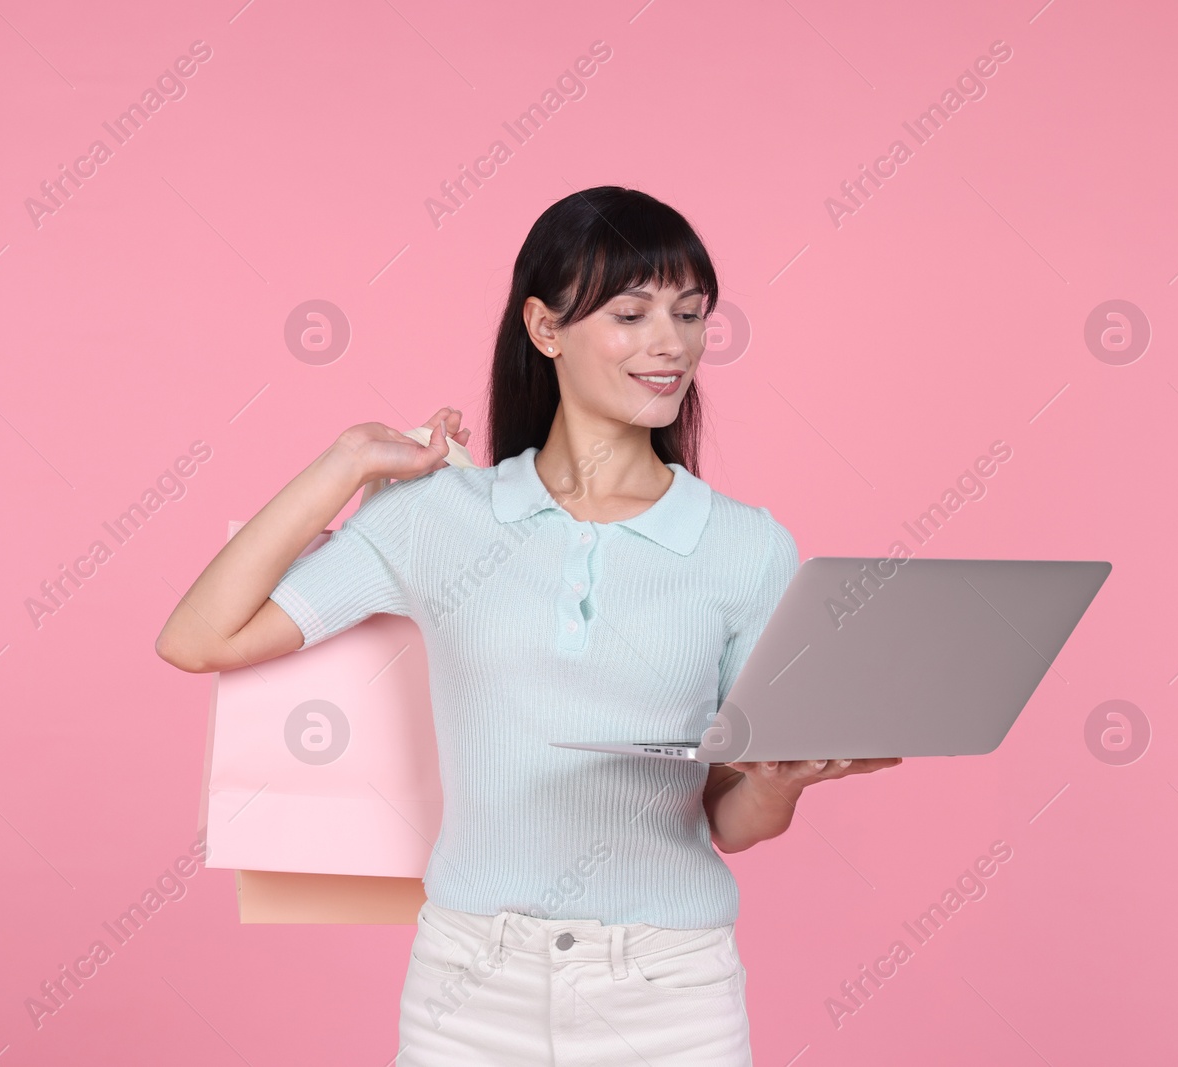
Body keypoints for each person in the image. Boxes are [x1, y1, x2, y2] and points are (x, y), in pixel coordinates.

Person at [155, 186, 900, 1065]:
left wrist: (782, 781)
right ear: (546, 328)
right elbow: (198, 637)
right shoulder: (442, 516)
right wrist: (349, 458)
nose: (672, 344)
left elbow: (729, 821)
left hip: (669, 997)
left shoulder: (745, 546)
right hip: (469, 987)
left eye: (691, 314)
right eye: (632, 313)